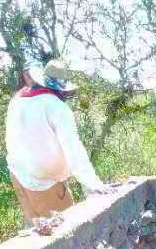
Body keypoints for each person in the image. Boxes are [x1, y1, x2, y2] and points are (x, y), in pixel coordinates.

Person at [6, 59, 107, 224]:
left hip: (18, 174)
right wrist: (92, 183)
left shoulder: (17, 101)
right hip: (44, 183)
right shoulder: (56, 107)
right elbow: (72, 145)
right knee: (68, 231)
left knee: (38, 234)